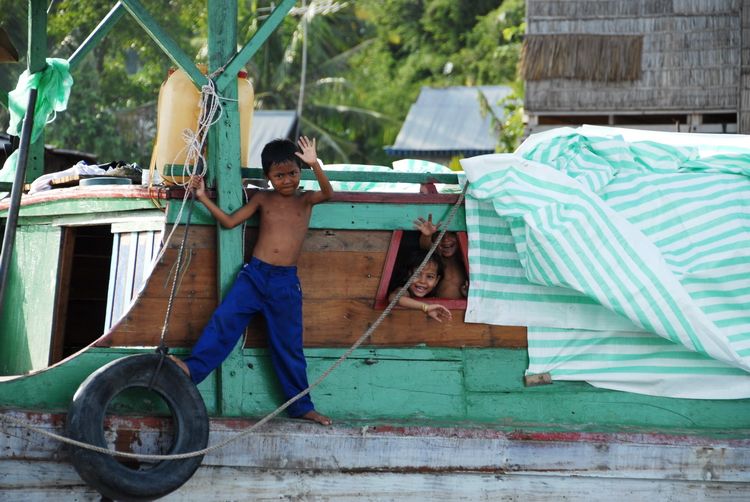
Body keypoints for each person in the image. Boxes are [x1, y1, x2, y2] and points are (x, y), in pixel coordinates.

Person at [170, 136, 333, 426]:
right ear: (267, 177)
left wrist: (314, 164)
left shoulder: (306, 199)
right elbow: (230, 222)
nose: (287, 181)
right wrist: (203, 197)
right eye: (279, 175)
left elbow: (328, 194)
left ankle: (301, 406)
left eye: (293, 173)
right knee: (224, 322)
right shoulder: (262, 198)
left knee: (289, 346)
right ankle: (191, 370)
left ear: (300, 171)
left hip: (285, 284)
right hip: (255, 276)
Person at [413, 214, 468, 299]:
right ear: (433, 240)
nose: (446, 239)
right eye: (439, 234)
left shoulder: (466, 259)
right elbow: (425, 248)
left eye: (452, 233)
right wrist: (427, 235)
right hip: (438, 308)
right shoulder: (435, 259)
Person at [389, 251, 452, 322]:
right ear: (407, 275)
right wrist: (426, 307)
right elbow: (394, 298)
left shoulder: (435, 294)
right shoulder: (404, 290)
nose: (422, 281)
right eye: (417, 274)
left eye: (430, 276)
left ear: (436, 281)